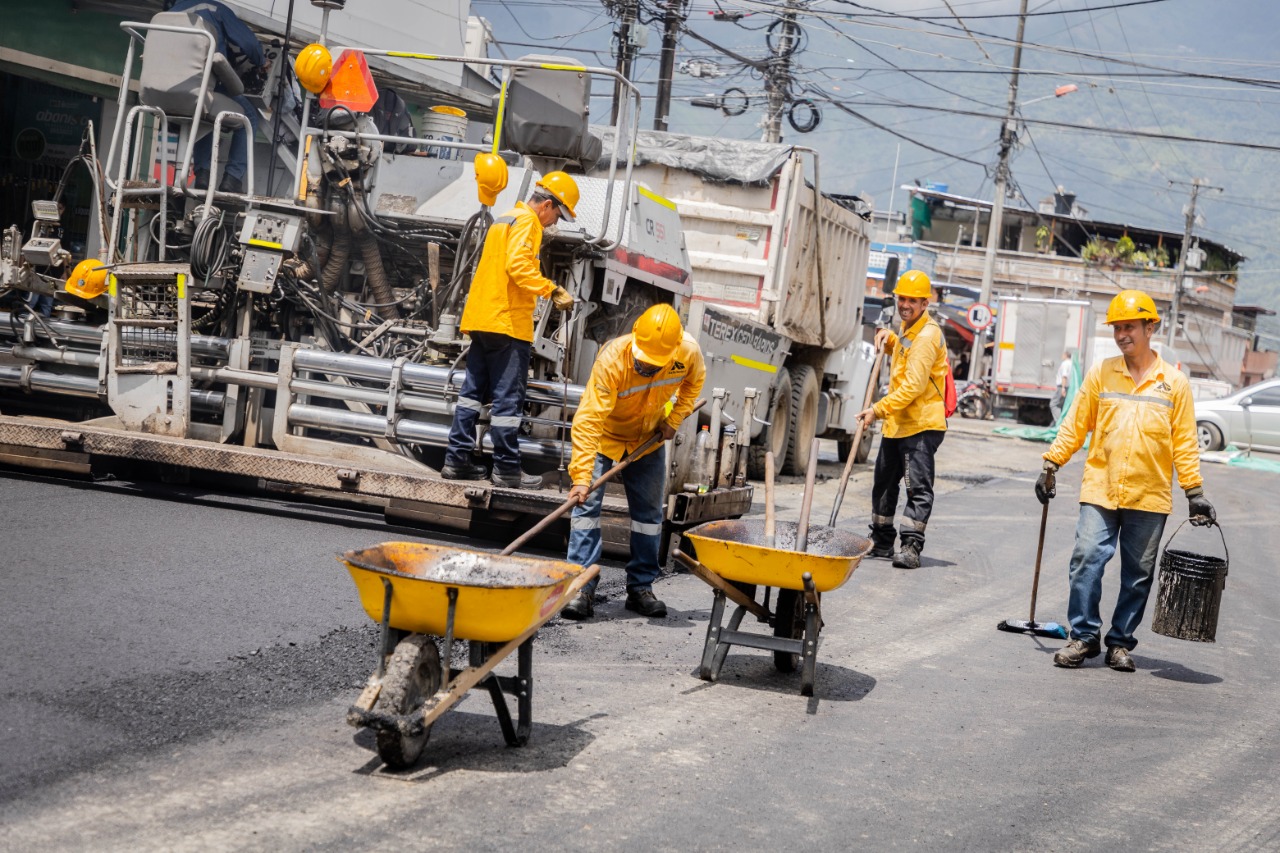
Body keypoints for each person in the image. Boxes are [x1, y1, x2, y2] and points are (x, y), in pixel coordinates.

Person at [1038, 289, 1215, 673]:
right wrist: (1052, 463)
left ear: (1151, 328)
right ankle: (1084, 636)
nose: (1122, 335)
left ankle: (1119, 642)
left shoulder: (1175, 383)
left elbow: (1185, 442)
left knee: (1138, 575)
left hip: (1149, 495)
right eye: (1117, 328)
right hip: (1100, 487)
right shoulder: (1101, 373)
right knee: (1086, 559)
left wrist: (1194, 492)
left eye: (1129, 327)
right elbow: (1075, 423)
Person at [559, 304, 706, 620]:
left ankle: (640, 588)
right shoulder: (612, 359)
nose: (647, 366)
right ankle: (581, 588)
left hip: (647, 441)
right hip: (605, 438)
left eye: (655, 363)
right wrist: (582, 477)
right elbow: (588, 421)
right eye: (644, 361)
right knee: (585, 510)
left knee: (649, 518)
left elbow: (694, 383)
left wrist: (674, 419)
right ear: (635, 337)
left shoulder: (687, 352)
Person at [442, 172, 578, 488]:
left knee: (471, 395)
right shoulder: (529, 222)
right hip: (507, 323)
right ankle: (506, 470)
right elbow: (518, 267)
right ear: (547, 205)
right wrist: (552, 289)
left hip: (482, 319)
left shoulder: (505, 218)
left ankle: (456, 460)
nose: (554, 223)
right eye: (557, 215)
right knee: (507, 401)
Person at [856, 269, 949, 570]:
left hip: (920, 425)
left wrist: (877, 410)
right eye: (902, 298)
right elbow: (907, 354)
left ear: (925, 303)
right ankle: (882, 541)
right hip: (899, 422)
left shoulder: (928, 335)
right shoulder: (910, 330)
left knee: (917, 488)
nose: (905, 305)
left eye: (912, 300)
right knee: (884, 484)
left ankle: (910, 546)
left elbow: (913, 387)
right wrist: (892, 340)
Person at [165, 0, 270, 194]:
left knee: (204, 115)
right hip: (204, 87)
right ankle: (232, 178)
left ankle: (203, 175)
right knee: (248, 117)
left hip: (170, 93)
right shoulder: (214, 9)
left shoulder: (166, 17)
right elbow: (249, 44)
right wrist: (261, 61)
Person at [1050, 349, 1073, 423]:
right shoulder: (1071, 363)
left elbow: (1064, 376)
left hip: (1062, 386)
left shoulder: (1065, 364)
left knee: (1053, 404)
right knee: (1061, 405)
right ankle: (1058, 423)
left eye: (1063, 355)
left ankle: (1059, 423)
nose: (1062, 356)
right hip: (1067, 386)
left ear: (1066, 355)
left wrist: (1063, 388)